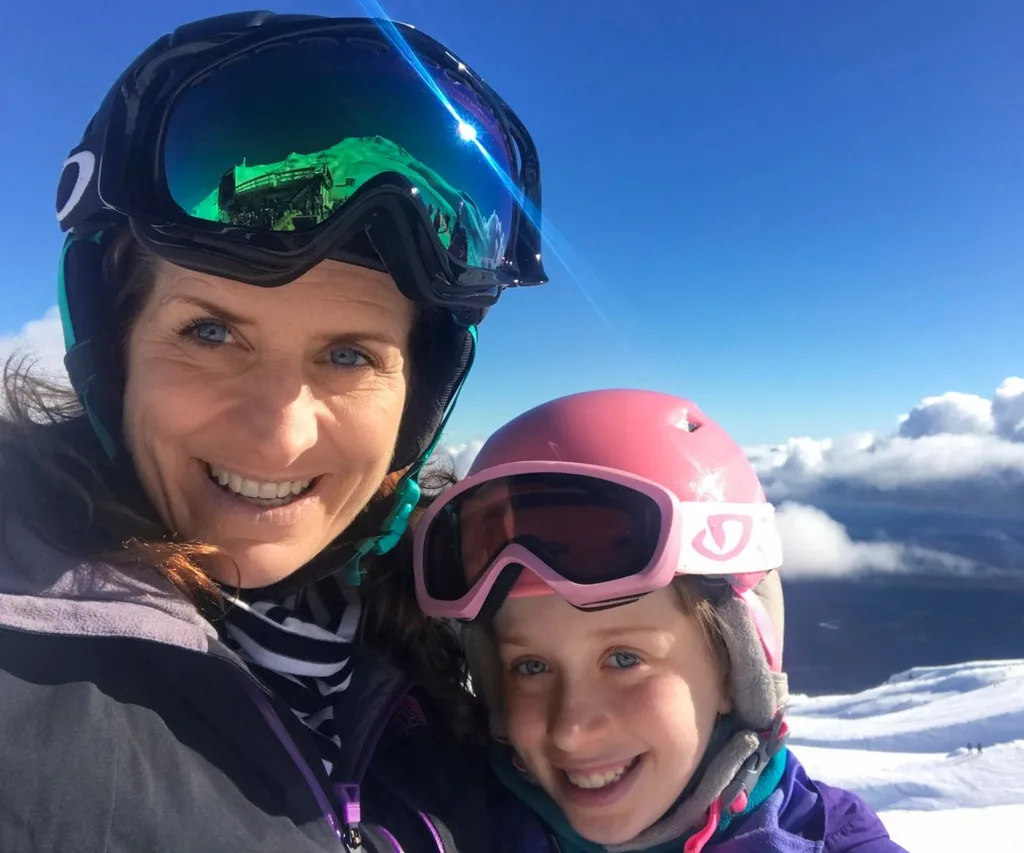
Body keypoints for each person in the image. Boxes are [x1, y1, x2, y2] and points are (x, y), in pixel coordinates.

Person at [0, 11, 548, 853]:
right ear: (114, 348)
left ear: (422, 397)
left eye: (348, 354)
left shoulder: (447, 646)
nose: (281, 437)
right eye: (211, 333)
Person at [413, 389, 910, 852]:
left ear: (735, 675)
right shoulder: (429, 824)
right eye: (529, 667)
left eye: (624, 658)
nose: (570, 731)